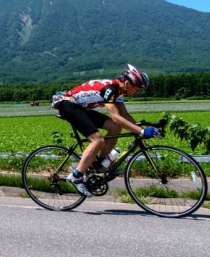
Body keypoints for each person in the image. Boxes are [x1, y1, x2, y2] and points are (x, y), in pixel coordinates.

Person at [55, 64, 161, 197]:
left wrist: (142, 130)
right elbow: (116, 117)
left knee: (115, 128)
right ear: (128, 83)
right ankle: (76, 176)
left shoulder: (119, 93)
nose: (137, 92)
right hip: (68, 105)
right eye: (138, 88)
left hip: (80, 108)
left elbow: (125, 116)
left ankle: (99, 163)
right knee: (97, 140)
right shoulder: (110, 89)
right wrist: (142, 132)